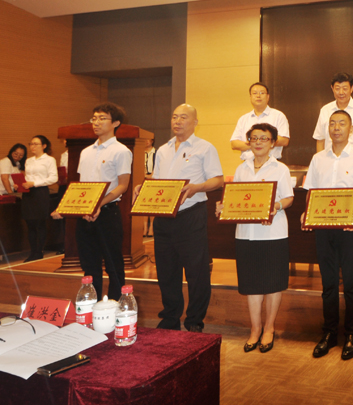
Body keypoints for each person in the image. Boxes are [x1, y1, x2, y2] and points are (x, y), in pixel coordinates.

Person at [138, 104, 224, 332]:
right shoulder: (163, 150)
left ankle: (194, 321)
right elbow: (158, 181)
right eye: (174, 117)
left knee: (196, 271)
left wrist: (197, 187)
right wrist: (143, 188)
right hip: (164, 217)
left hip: (191, 215)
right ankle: (170, 318)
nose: (177, 121)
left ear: (195, 122)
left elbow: (218, 180)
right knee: (166, 271)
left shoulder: (205, 148)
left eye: (183, 117)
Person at [304, 110, 353, 360]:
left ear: (351, 129)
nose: (336, 128)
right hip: (323, 228)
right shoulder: (318, 159)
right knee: (328, 284)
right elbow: (311, 191)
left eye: (342, 123)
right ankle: (329, 333)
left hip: (350, 228)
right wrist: (307, 212)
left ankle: (352, 335)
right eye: (332, 124)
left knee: (352, 284)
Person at [217, 123, 293, 353]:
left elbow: (288, 198)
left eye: (264, 138)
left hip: (273, 233)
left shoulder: (280, 168)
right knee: (251, 284)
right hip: (246, 234)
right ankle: (255, 329)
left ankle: (269, 328)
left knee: (273, 283)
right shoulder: (242, 169)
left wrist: (275, 207)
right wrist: (224, 207)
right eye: (254, 138)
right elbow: (236, 198)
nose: (258, 142)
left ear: (273, 143)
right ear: (248, 142)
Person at [52, 103, 132, 300]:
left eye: (102, 118)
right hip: (85, 214)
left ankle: (116, 304)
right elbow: (82, 187)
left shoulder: (121, 151)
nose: (96, 122)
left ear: (116, 123)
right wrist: (67, 207)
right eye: (94, 118)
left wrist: (98, 205)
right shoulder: (86, 151)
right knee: (89, 264)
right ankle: (92, 304)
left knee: (113, 263)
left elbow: (122, 186)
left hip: (108, 212)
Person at [18, 136, 58, 262]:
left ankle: (39, 251)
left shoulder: (49, 160)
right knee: (30, 223)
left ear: (44, 146)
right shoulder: (28, 160)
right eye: (31, 144)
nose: (32, 146)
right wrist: (20, 184)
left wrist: (34, 183)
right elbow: (27, 177)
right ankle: (33, 251)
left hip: (40, 192)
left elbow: (53, 178)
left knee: (40, 222)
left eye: (36, 144)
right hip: (28, 193)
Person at [231, 82, 290, 160]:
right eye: (255, 93)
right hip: (247, 163)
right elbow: (234, 144)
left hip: (271, 162)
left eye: (262, 93)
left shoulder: (278, 115)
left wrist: (255, 142)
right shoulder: (244, 119)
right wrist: (256, 144)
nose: (258, 96)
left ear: (268, 97)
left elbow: (284, 140)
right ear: (250, 97)